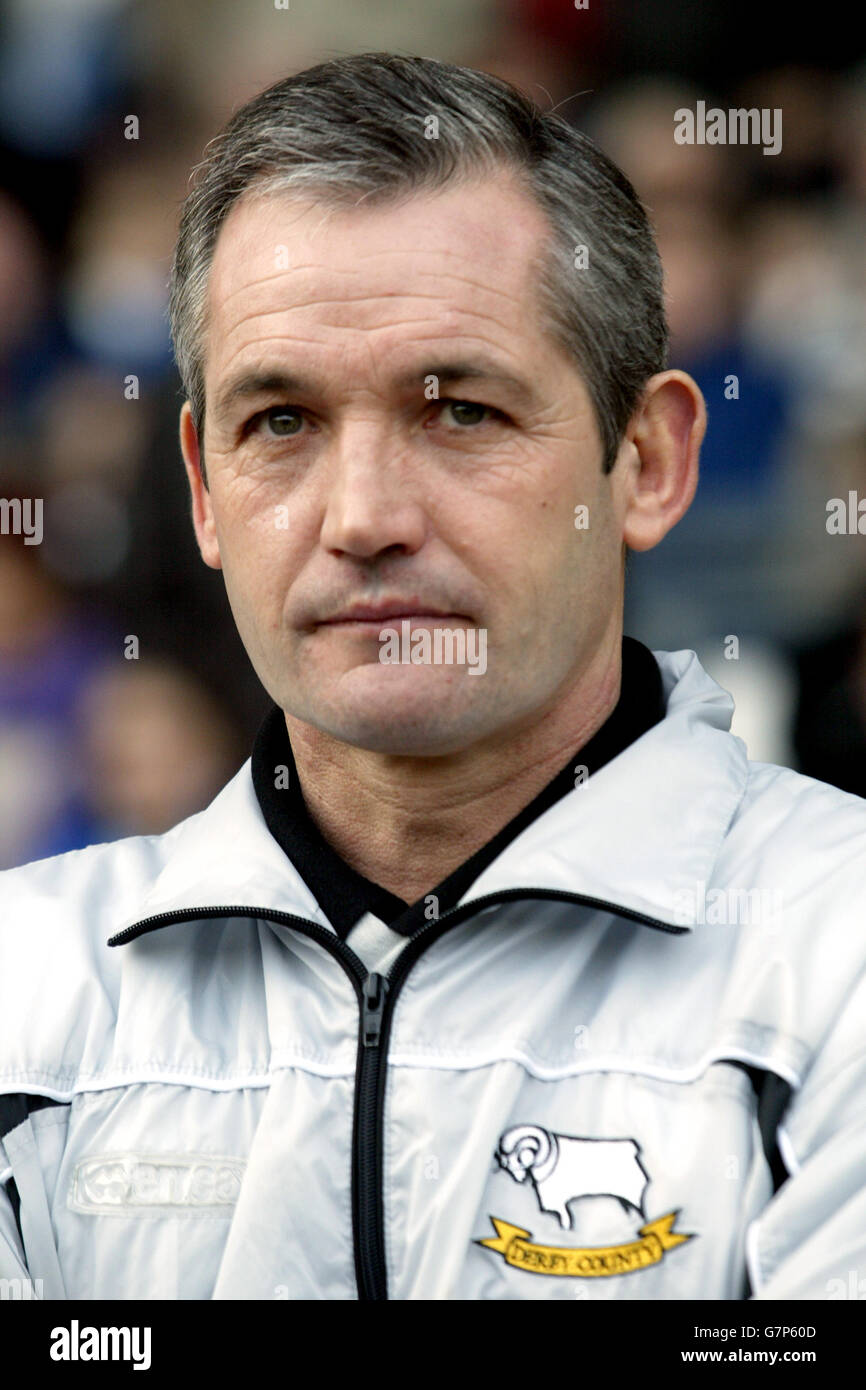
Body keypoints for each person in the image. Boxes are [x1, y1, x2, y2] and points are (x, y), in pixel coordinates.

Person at [1, 52, 864, 1302]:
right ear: (201, 489)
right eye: (281, 422)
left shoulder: (835, 951)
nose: (361, 516)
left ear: (649, 460)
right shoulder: (28, 994)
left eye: (458, 410)